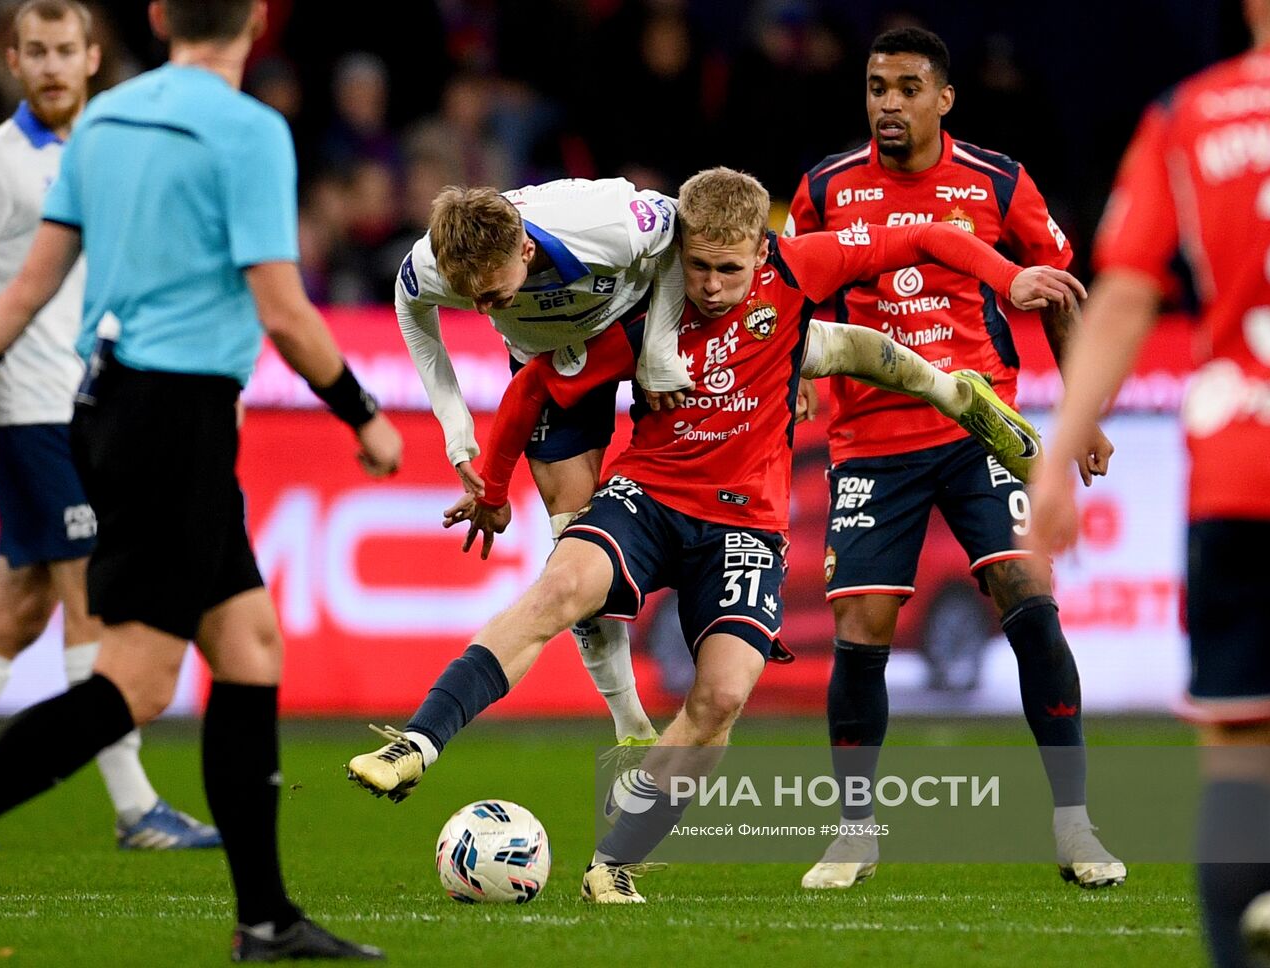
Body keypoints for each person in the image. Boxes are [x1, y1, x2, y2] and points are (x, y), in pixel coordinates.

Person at [348, 166, 1083, 903]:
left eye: (727, 268)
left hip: (746, 525)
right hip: (652, 493)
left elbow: (923, 234)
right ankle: (419, 741)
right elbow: (537, 386)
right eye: (695, 265)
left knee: (722, 698)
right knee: (559, 588)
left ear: (760, 254)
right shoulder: (638, 313)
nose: (709, 284)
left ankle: (614, 862)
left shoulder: (799, 266)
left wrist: (1010, 276)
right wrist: (494, 484)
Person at [0, 0, 401, 961]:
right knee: (133, 680)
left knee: (249, 643)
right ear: (257, 19)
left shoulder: (111, 118)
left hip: (113, 409)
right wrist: (361, 413)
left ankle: (265, 921)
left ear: (162, 17)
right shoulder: (251, 130)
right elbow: (284, 309)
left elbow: (30, 284)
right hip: (177, 421)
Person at [783, 25, 1125, 891]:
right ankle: (854, 833)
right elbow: (787, 293)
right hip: (869, 439)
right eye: (874, 88)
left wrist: (1081, 412)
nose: (886, 105)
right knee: (861, 633)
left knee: (1030, 601)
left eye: (905, 88)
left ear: (943, 99)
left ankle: (1075, 826)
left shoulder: (998, 180)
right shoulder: (823, 187)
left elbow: (1055, 290)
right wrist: (786, 381)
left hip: (980, 427)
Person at [0, 0, 220, 853]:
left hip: (97, 409)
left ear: (90, 56)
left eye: (63, 50)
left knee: (16, 608)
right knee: (91, 599)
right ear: (11, 58)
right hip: (33, 412)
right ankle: (134, 804)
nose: (48, 65)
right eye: (33, 51)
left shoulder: (105, 151)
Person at [1026, 0, 1270, 962]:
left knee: (1239, 754)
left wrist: (1054, 462)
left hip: (1243, 475)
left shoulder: (1192, 114)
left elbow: (1126, 295)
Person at [397, 178, 694, 751]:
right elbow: (412, 313)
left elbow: (681, 231)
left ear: (526, 249)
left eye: (491, 293)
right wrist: (457, 433)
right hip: (551, 363)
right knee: (574, 535)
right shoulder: (430, 265)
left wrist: (658, 350)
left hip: (640, 321)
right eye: (472, 298)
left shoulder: (605, 223)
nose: (483, 309)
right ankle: (631, 725)